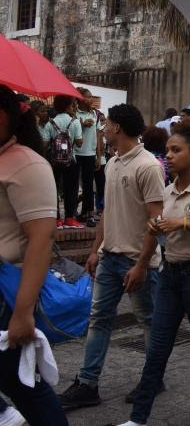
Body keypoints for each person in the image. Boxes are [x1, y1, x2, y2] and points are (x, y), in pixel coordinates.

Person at [115, 120, 190, 426]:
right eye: (167, 150)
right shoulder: (166, 192)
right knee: (157, 350)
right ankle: (138, 419)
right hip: (169, 275)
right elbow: (155, 232)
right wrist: (144, 253)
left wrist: (186, 224)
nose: (168, 155)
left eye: (176, 150)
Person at [58, 103, 165, 411]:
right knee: (99, 319)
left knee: (149, 321)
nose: (103, 129)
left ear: (118, 128)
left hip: (138, 261)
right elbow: (106, 211)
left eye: (107, 125)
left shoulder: (148, 166)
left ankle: (153, 378)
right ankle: (87, 384)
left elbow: (155, 221)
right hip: (109, 258)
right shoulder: (113, 164)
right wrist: (94, 250)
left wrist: (143, 264)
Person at [0, 85, 68, 426]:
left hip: (7, 292)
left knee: (25, 385)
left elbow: (41, 240)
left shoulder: (26, 164)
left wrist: (23, 313)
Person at [44, 94, 83, 229]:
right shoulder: (75, 122)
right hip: (70, 160)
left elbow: (45, 144)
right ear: (67, 106)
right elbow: (79, 144)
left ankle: (56, 220)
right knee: (70, 189)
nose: (74, 107)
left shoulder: (51, 123)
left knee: (53, 188)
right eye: (72, 105)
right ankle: (69, 218)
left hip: (54, 161)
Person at [74, 87, 102, 226]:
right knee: (73, 185)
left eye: (92, 97)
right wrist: (81, 124)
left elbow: (97, 136)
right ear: (80, 99)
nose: (91, 99)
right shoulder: (74, 113)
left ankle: (88, 214)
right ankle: (71, 213)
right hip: (75, 154)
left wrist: (98, 156)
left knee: (88, 186)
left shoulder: (95, 114)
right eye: (88, 97)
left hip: (90, 154)